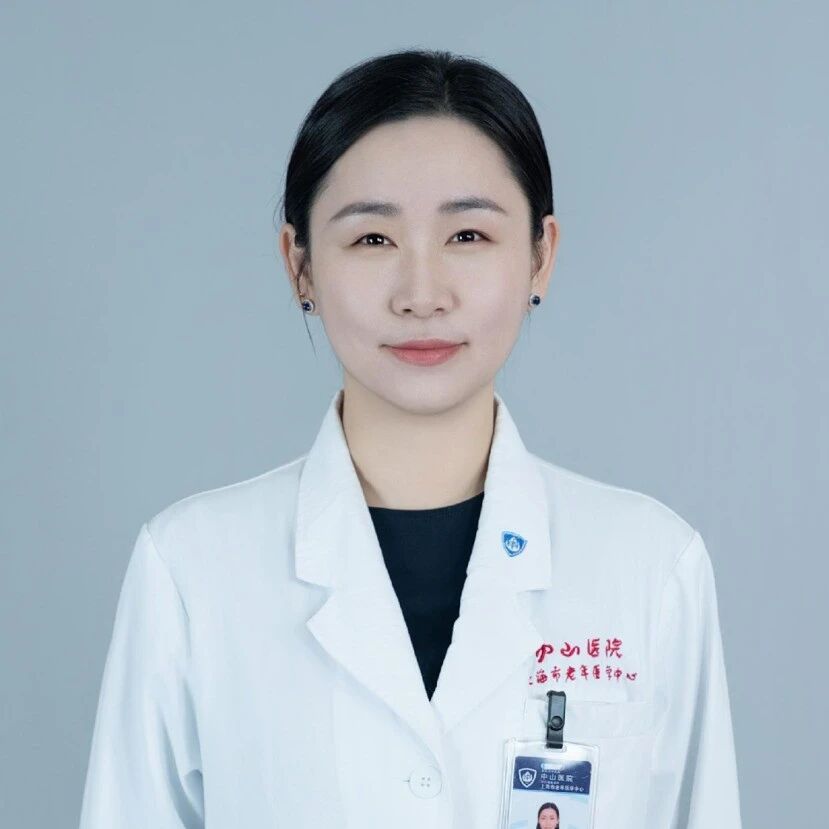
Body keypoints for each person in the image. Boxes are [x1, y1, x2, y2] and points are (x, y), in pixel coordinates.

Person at [78, 48, 742, 828]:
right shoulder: (191, 569)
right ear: (299, 265)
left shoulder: (651, 566)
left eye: (468, 235)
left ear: (540, 256)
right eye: (372, 240)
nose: (421, 295)